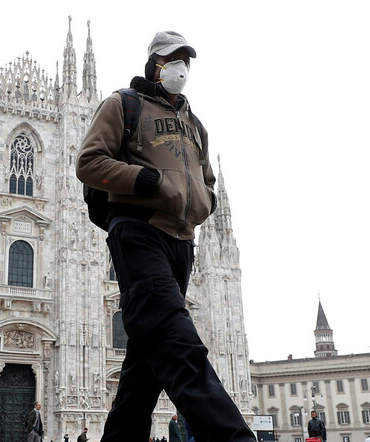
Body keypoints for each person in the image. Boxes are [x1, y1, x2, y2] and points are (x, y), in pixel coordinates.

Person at [76, 31, 255, 442]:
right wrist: (147, 181)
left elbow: (205, 179)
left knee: (144, 364)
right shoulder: (123, 104)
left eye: (186, 59)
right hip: (138, 231)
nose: (181, 67)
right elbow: (89, 162)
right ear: (154, 63)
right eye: (173, 58)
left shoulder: (194, 125)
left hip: (181, 242)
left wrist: (203, 203)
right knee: (177, 341)